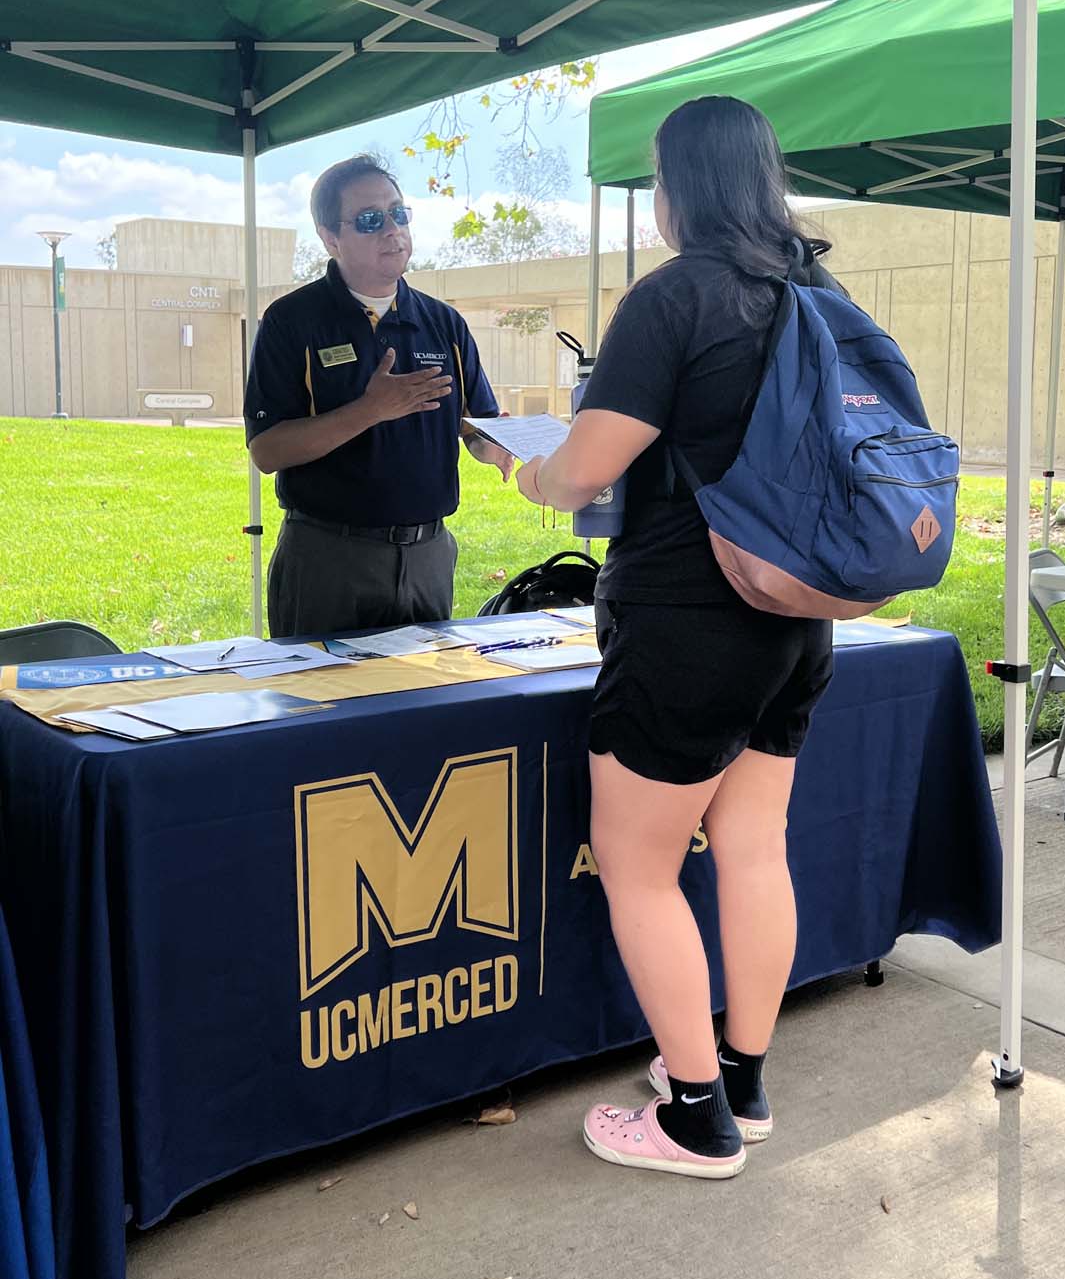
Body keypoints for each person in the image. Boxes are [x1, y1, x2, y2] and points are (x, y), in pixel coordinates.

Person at [515, 97, 834, 1179]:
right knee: (754, 846)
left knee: (638, 866)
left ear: (677, 188)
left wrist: (525, 470)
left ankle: (695, 1115)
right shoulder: (814, 288)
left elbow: (585, 472)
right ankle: (741, 1074)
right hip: (797, 615)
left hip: (688, 624)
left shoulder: (676, 296)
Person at [244, 153, 512, 638]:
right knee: (323, 708)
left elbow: (474, 427)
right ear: (331, 238)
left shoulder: (443, 322)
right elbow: (267, 450)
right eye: (370, 220)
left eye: (399, 213)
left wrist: (500, 446)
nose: (392, 229)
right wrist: (368, 411)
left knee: (424, 710)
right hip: (328, 558)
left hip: (429, 554)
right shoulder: (291, 321)